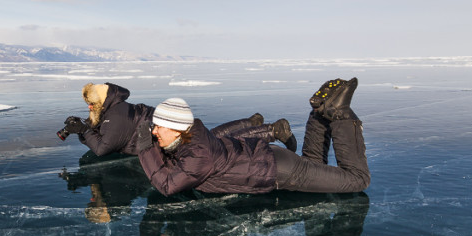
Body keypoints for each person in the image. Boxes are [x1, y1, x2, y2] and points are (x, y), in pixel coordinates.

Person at [135, 78, 370, 196]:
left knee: (357, 180)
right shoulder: (191, 136)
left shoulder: (199, 155)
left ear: (177, 128)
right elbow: (168, 162)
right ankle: (320, 111)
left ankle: (339, 114)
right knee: (314, 162)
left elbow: (168, 185)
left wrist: (145, 147)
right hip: (270, 159)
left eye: (159, 127)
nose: (155, 132)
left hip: (280, 170)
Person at [59, 82, 296, 156]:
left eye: (92, 104)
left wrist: (84, 130)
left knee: (217, 144)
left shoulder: (117, 116)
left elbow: (102, 148)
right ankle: (251, 123)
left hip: (169, 133)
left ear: (102, 102)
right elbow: (100, 132)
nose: (89, 108)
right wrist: (82, 128)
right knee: (211, 136)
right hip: (170, 126)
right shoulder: (115, 110)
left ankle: (271, 131)